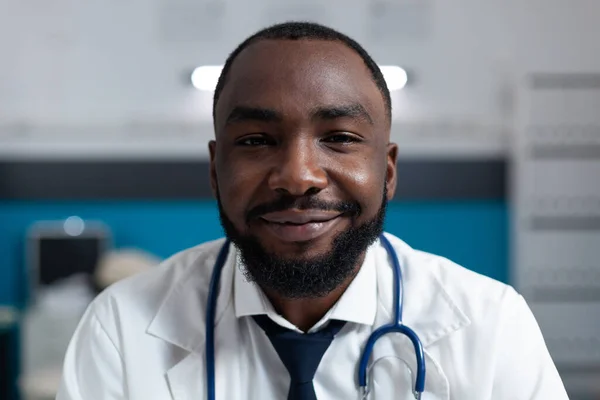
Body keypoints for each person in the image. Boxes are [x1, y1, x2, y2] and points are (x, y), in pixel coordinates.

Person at [56, 22, 569, 400]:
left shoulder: (489, 327)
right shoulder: (121, 328)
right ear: (216, 170)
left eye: (340, 138)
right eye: (257, 140)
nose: (298, 175)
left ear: (387, 172)